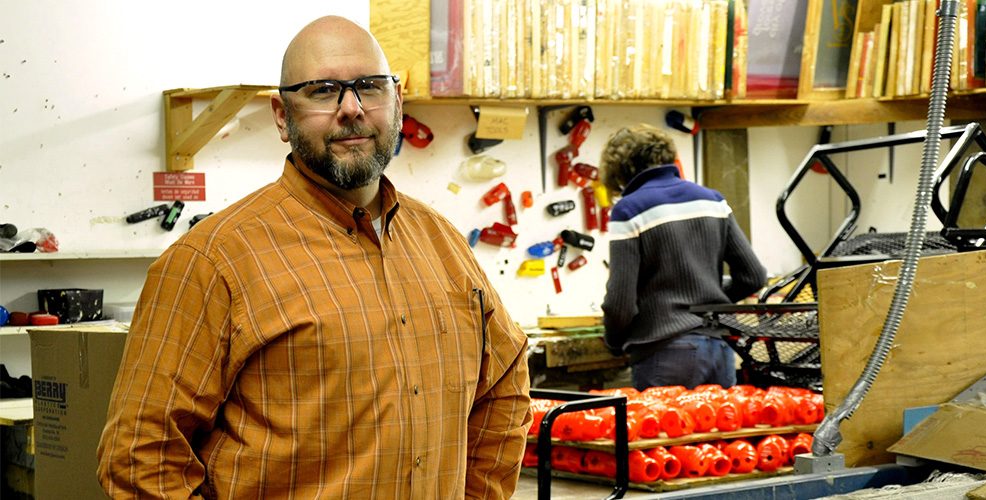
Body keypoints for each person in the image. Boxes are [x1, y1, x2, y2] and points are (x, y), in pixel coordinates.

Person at [97, 16, 531, 498]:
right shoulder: (212, 261)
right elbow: (142, 458)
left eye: (369, 86)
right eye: (323, 91)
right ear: (281, 116)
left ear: (398, 102)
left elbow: (505, 388)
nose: (352, 108)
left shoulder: (442, 242)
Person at [599, 124, 767, 391]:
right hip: (719, 348)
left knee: (665, 433)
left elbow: (620, 304)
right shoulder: (713, 200)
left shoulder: (629, 210)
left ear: (620, 169)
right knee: (720, 433)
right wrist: (707, 301)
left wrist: (614, 342)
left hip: (664, 353)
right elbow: (753, 276)